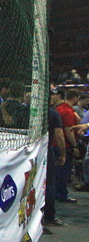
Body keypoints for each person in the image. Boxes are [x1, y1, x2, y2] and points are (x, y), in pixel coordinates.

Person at [43, 90, 67, 227]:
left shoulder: (29, 110)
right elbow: (59, 135)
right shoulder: (53, 113)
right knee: (49, 183)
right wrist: (63, 154)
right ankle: (49, 216)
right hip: (46, 148)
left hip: (30, 148)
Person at [55, 89, 80, 203]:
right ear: (75, 98)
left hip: (57, 143)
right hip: (65, 145)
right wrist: (75, 145)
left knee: (59, 171)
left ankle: (58, 193)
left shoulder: (60, 108)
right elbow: (68, 130)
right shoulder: (68, 111)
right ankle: (62, 194)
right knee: (64, 171)